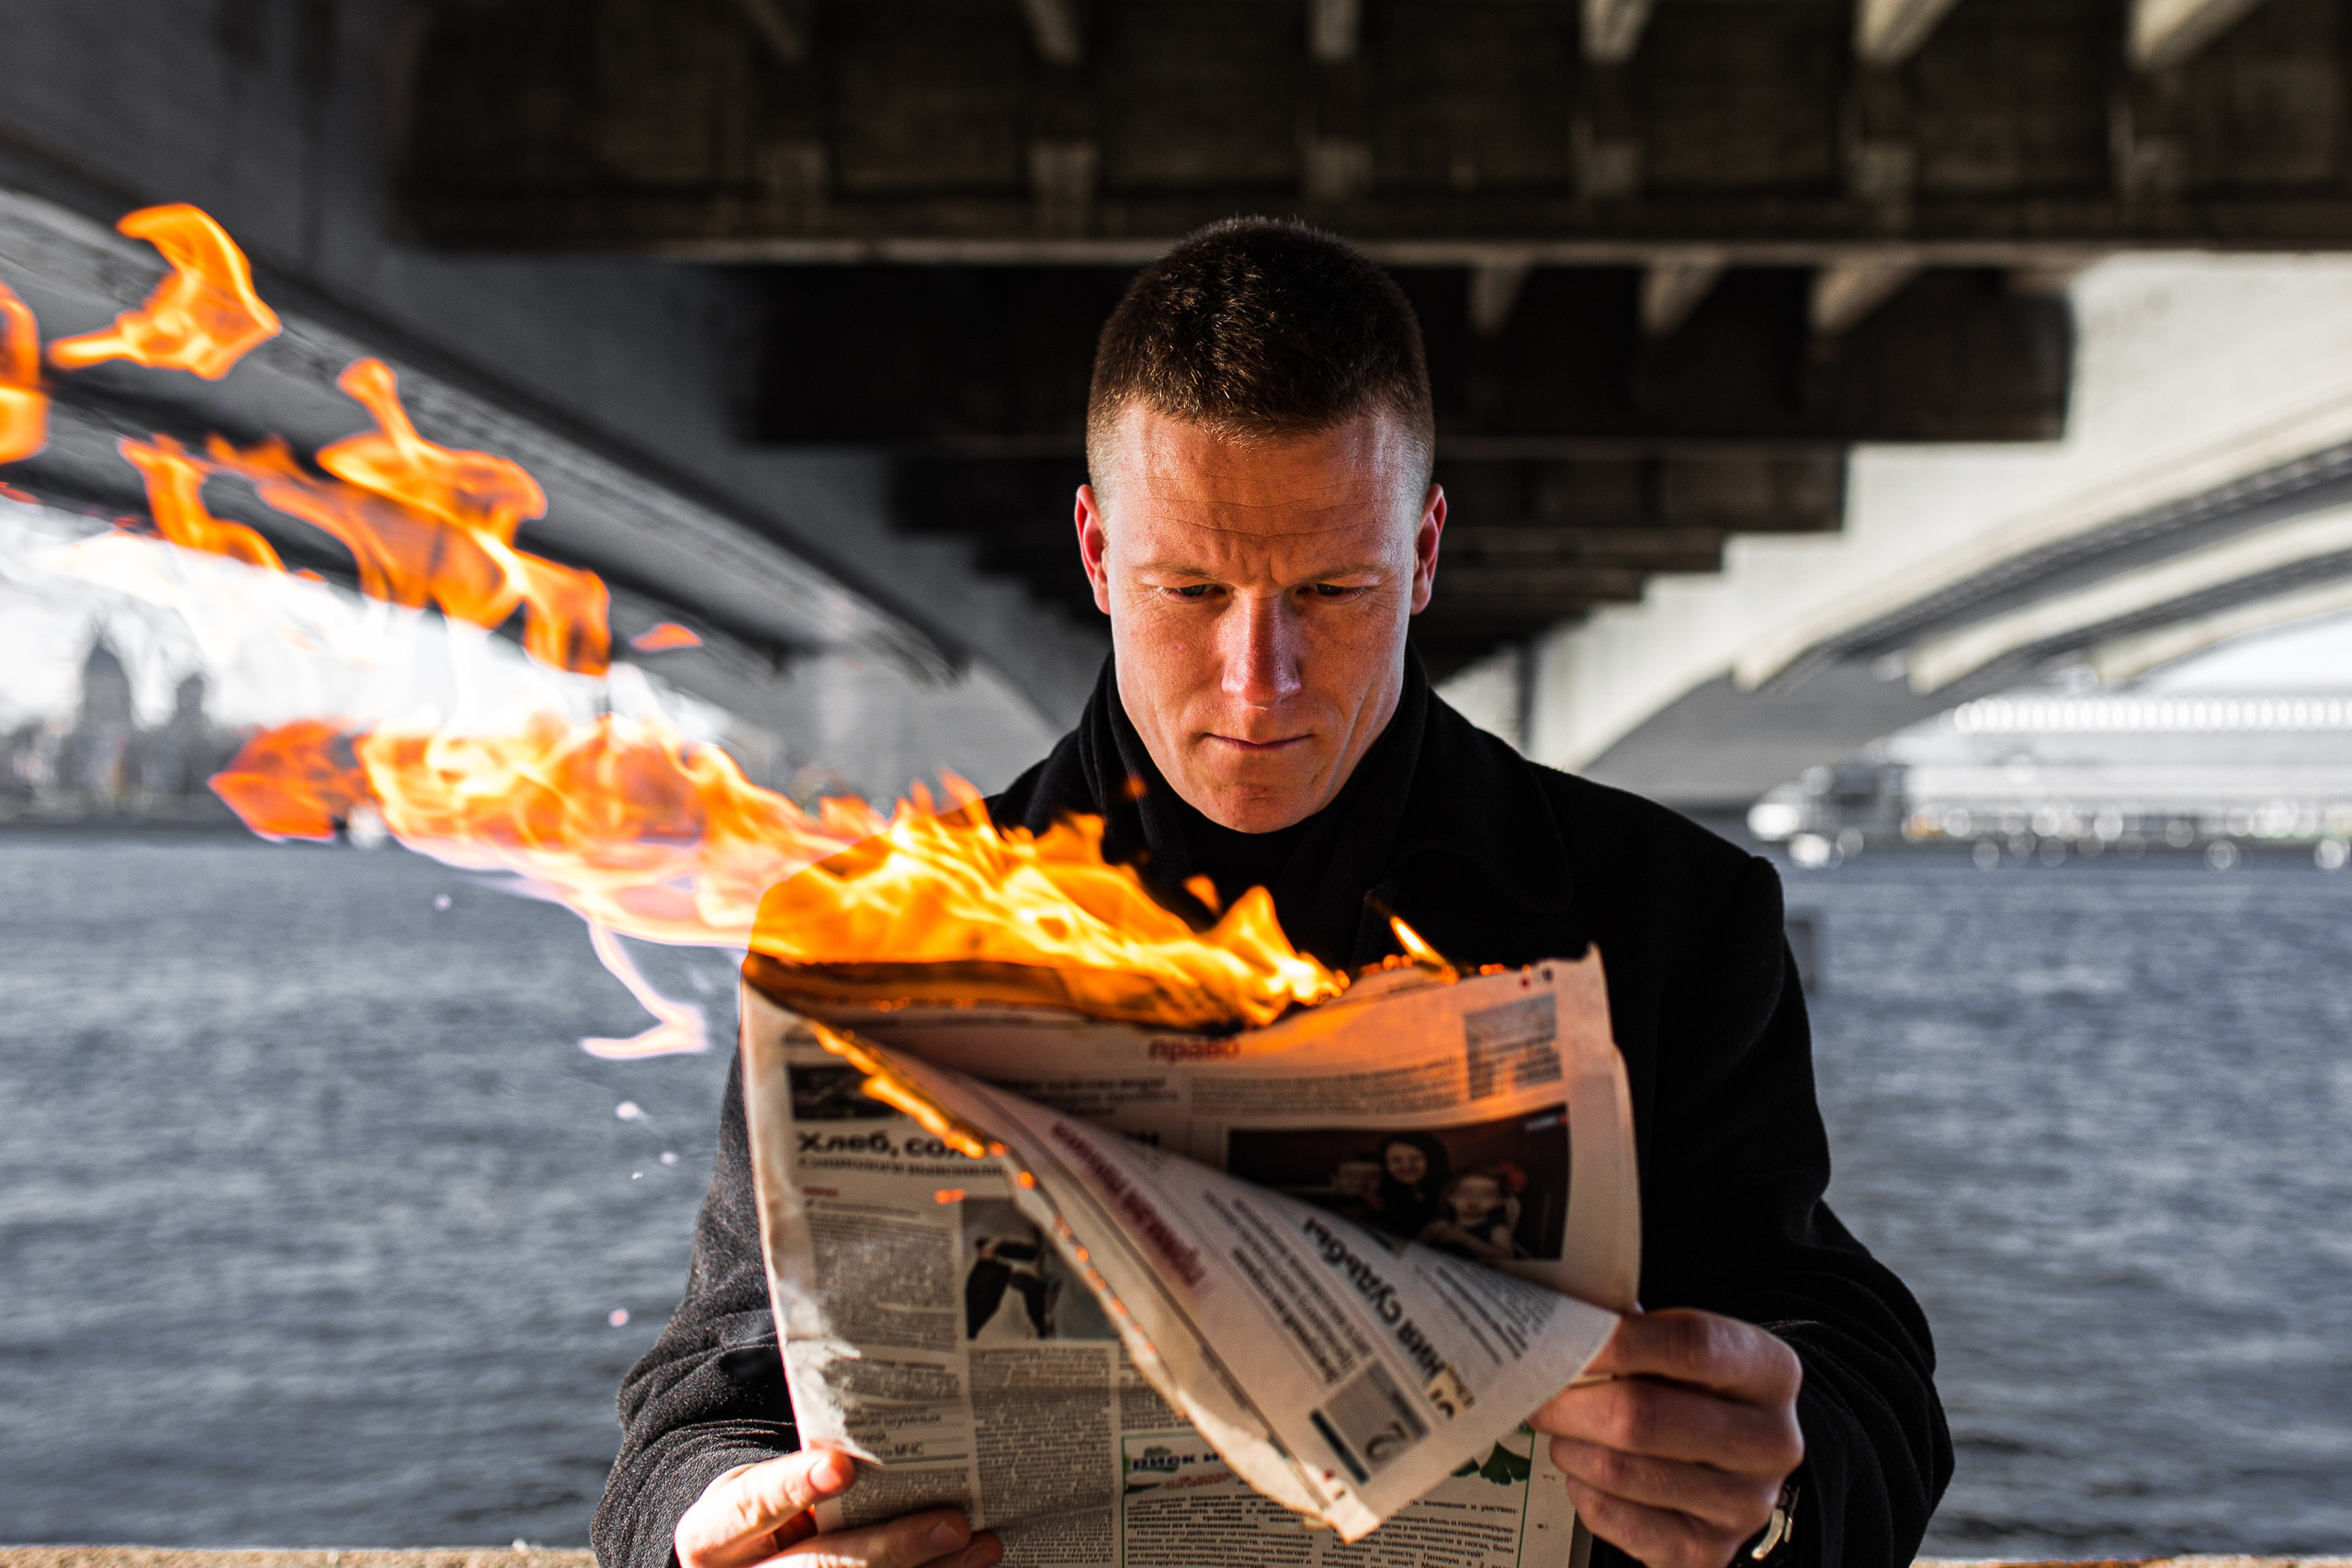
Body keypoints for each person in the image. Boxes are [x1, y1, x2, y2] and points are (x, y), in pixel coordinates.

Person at [594, 218, 1951, 1568]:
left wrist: (1772, 1482)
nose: (1260, 679)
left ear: (1423, 556)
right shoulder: (867, 941)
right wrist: (718, 1530)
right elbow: (689, 1419)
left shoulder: (1671, 913)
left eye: (1332, 587)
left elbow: (1859, 1370)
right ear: (1094, 554)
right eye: (1189, 587)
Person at [1420, 1168, 1522, 1263]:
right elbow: (1414, 1247)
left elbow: (1507, 1258)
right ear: (1450, 1197)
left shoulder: (1496, 1227)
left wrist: (1464, 1238)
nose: (1474, 1199)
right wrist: (1429, 1233)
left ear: (1499, 1200)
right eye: (1465, 1192)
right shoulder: (1441, 1221)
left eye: (1486, 1194)